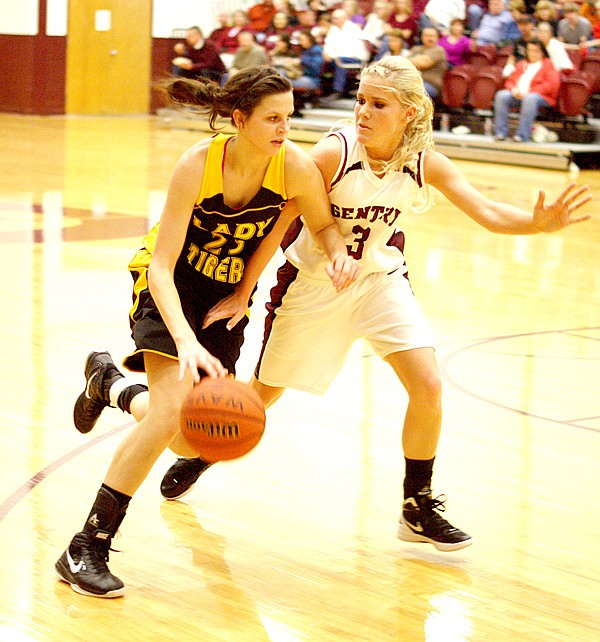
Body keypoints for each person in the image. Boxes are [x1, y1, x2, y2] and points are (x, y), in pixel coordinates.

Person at [73, 57, 592, 557]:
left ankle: (416, 503)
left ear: (409, 111)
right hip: (311, 287)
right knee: (253, 401)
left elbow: (487, 210)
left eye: (377, 105)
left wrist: (537, 223)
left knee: (428, 384)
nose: (362, 112)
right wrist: (247, 288)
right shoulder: (329, 154)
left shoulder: (421, 162)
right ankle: (189, 435)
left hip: (378, 280)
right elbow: (281, 223)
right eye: (360, 101)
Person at [56, 66, 359, 598]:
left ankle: (110, 386)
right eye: (271, 118)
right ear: (239, 120)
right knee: (172, 410)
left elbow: (321, 224)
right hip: (169, 285)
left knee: (183, 435)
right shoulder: (198, 164)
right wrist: (186, 340)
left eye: (289, 117)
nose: (284, 129)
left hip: (222, 298)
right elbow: (163, 264)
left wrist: (335, 258)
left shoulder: (295, 167)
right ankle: (86, 545)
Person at [493, 38, 562, 141]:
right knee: (501, 95)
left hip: (540, 96)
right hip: (519, 93)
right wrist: (513, 89)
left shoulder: (548, 64)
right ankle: (501, 133)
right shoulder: (521, 64)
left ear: (542, 52)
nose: (532, 53)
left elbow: (551, 85)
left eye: (535, 51)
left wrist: (529, 92)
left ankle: (521, 135)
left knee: (530, 99)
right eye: (529, 50)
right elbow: (510, 81)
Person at [406, 27, 448, 99]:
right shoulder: (416, 48)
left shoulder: (438, 50)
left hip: (430, 85)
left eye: (432, 36)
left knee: (409, 90)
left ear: (437, 38)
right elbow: (403, 63)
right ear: (422, 37)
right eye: (426, 35)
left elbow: (423, 63)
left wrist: (408, 60)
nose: (429, 38)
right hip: (412, 81)